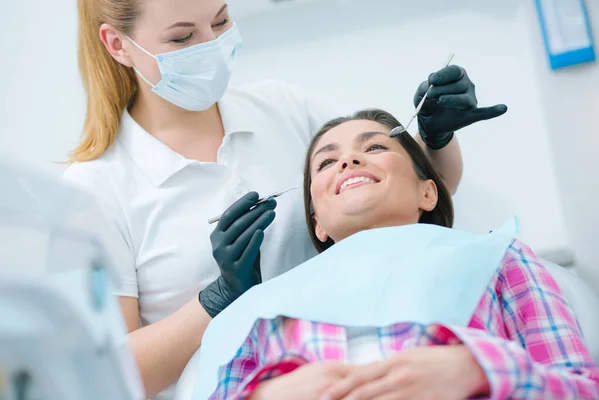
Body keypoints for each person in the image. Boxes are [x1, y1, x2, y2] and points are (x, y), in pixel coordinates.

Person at [62, 0, 507, 397]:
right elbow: (106, 378)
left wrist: (435, 137)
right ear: (117, 44)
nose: (211, 45)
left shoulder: (283, 108)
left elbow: (421, 191)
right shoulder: (93, 192)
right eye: (182, 37)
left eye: (221, 21)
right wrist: (218, 298)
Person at [206, 109, 599, 400]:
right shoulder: (264, 310)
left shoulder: (498, 260)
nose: (348, 161)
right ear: (317, 222)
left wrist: (481, 371)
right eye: (327, 161)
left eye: (375, 146)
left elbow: (582, 389)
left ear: (427, 192)